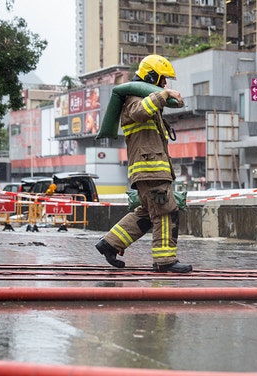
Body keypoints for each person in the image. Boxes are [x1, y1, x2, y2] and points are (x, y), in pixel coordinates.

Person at [95, 54, 192, 273]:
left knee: (148, 214)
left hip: (150, 169)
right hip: (150, 169)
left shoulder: (141, 96)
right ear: (151, 76)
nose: (165, 84)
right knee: (166, 212)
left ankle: (110, 244)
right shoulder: (133, 98)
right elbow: (139, 113)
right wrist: (163, 95)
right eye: (162, 79)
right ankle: (165, 261)